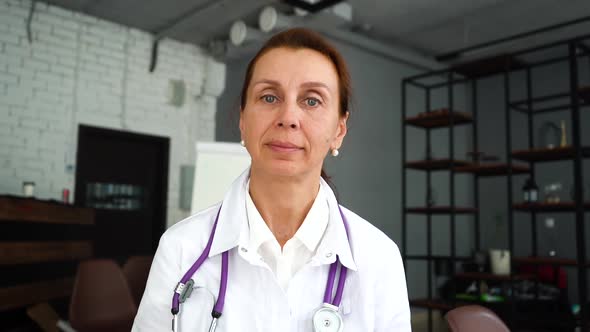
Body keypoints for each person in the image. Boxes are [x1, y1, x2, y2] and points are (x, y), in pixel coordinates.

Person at [132, 27, 411, 331]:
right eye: (269, 97)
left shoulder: (379, 258)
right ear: (242, 120)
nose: (288, 117)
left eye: (312, 101)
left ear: (339, 131)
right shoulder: (181, 248)